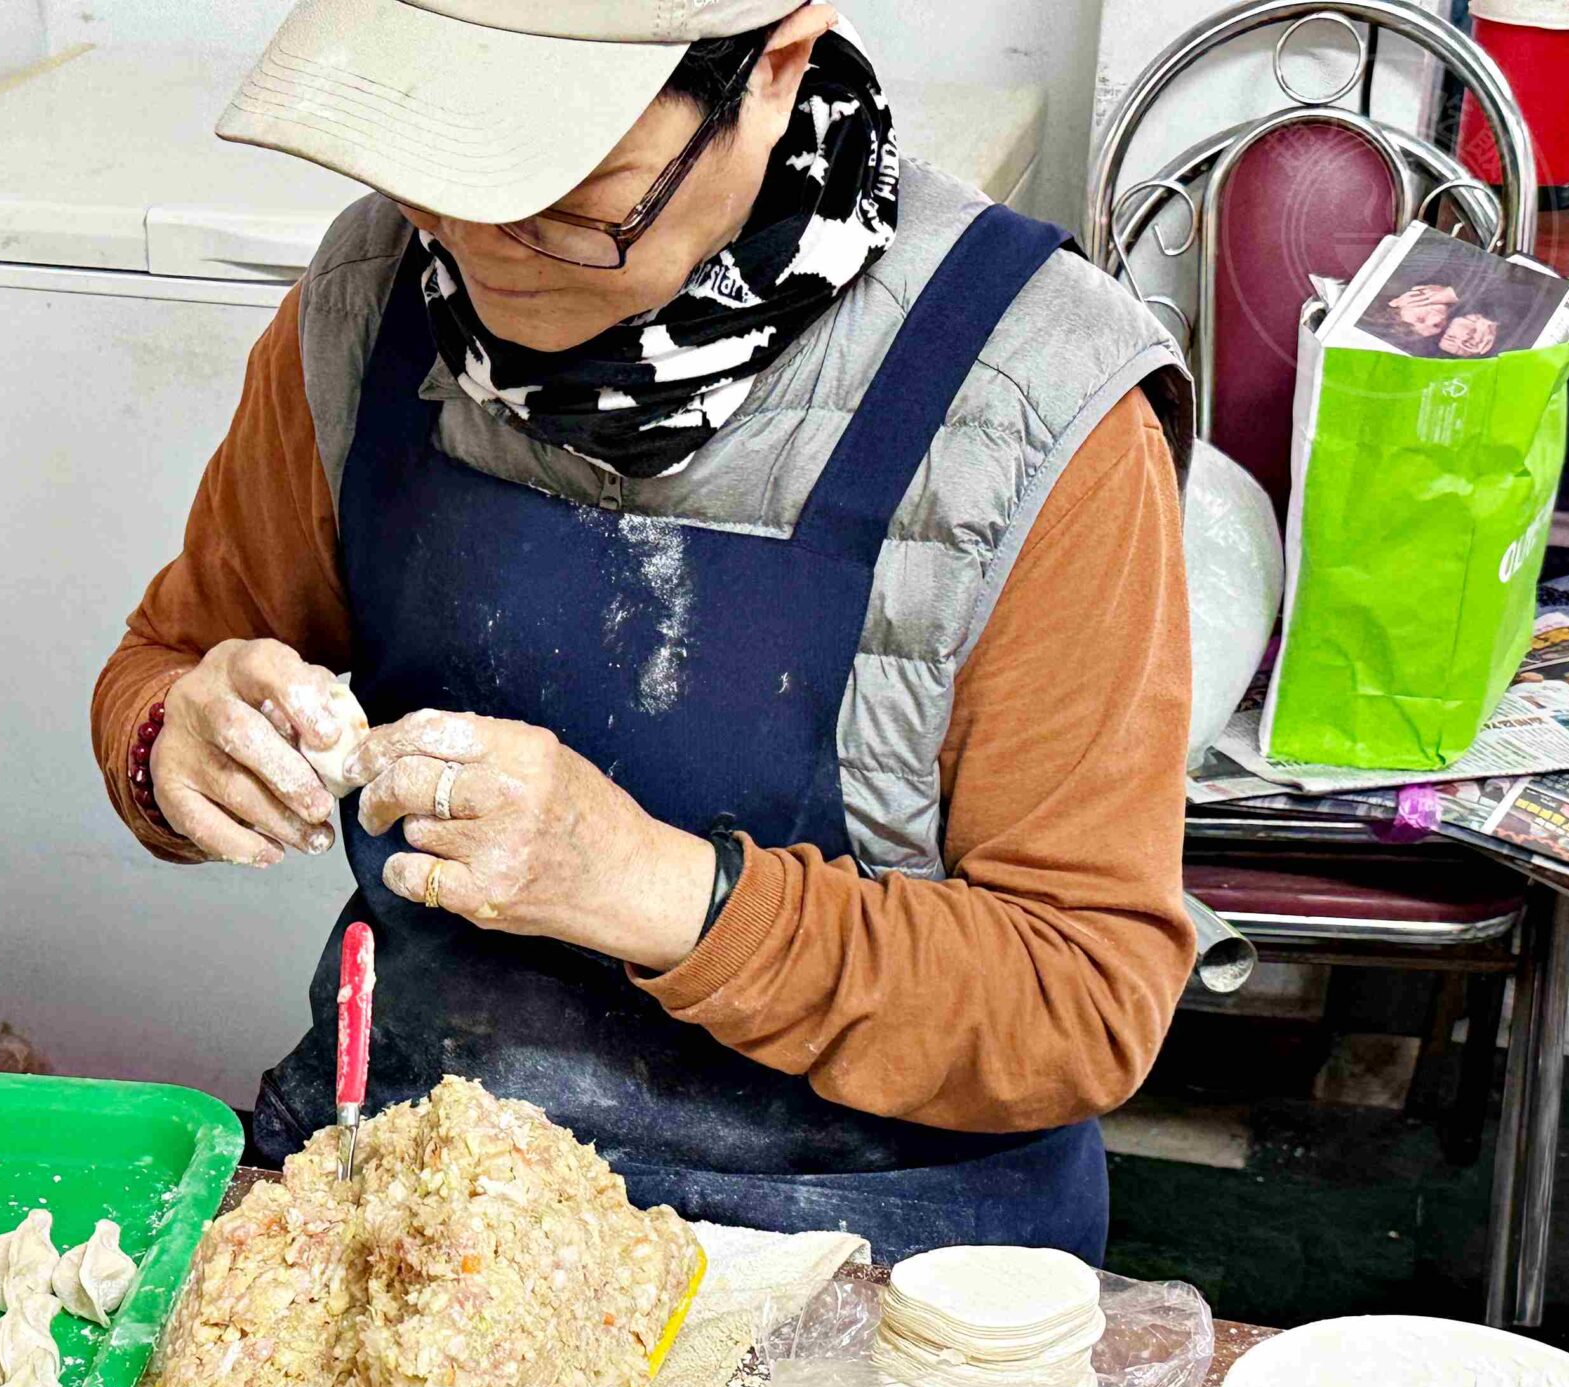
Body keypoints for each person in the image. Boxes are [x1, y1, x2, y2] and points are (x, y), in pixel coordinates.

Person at [89, 0, 1197, 1262]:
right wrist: (174, 742)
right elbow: (166, 665)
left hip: (874, 1241)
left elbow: (1081, 1001)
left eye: (569, 202)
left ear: (771, 73)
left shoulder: (1028, 402)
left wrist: (648, 887)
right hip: (419, 1183)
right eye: (434, 180)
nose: (478, 248)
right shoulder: (369, 299)